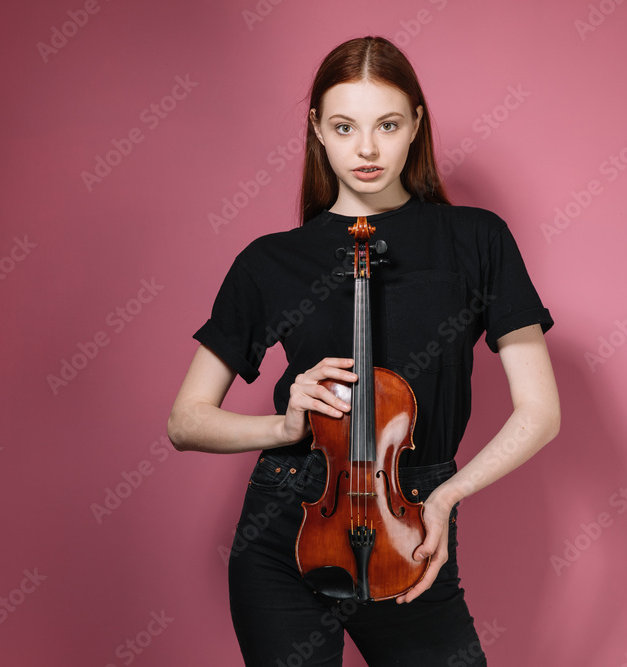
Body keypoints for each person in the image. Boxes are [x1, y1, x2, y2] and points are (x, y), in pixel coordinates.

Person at [167, 36, 560, 666]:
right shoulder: (270, 261)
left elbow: (540, 412)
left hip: (409, 519)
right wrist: (284, 423)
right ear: (318, 129)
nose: (368, 149)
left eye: (388, 124)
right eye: (345, 126)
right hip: (288, 516)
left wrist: (444, 498)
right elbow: (184, 422)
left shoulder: (476, 240)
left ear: (416, 127)